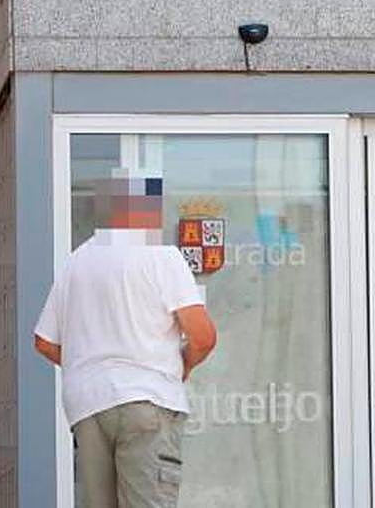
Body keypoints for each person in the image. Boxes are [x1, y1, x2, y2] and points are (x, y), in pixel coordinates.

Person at [33, 174, 218, 508]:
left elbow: (44, 342)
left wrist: (87, 362)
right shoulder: (160, 254)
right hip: (147, 398)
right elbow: (203, 336)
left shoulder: (76, 262)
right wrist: (184, 363)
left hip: (88, 405)